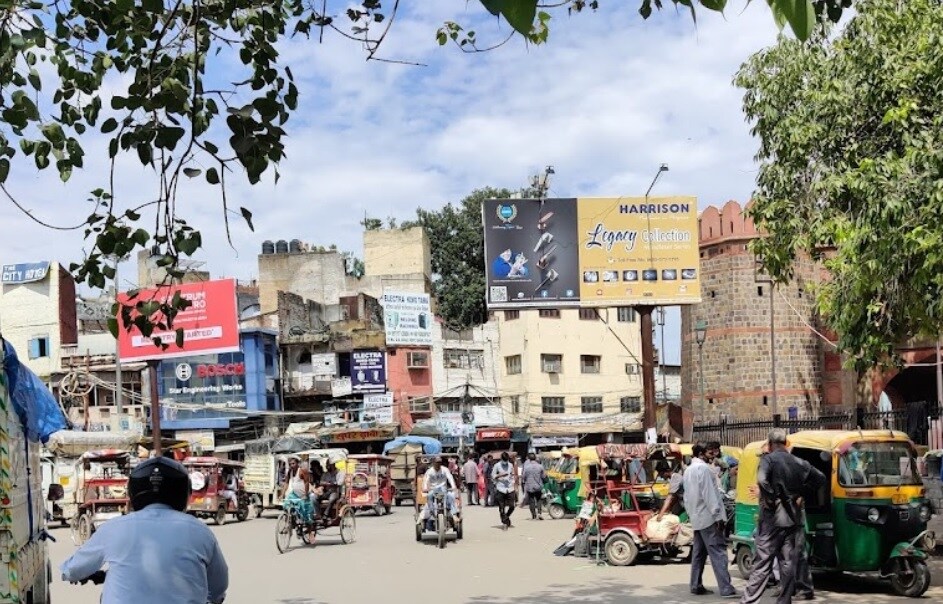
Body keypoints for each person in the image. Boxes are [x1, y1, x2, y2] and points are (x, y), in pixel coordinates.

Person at [60, 456, 229, 604]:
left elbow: (72, 570)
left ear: (133, 492)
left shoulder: (113, 528)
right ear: (185, 493)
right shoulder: (200, 531)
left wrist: (74, 574)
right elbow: (219, 586)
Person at [740, 429, 825, 604]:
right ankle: (784, 600)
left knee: (762, 563)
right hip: (792, 518)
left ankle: (749, 601)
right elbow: (820, 479)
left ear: (770, 444)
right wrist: (801, 494)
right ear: (786, 443)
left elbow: (762, 480)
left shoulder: (768, 459)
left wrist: (771, 497)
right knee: (787, 563)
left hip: (772, 519)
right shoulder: (799, 462)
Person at [683, 442, 738, 599]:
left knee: (699, 554)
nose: (713, 456)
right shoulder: (704, 469)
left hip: (697, 518)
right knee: (718, 553)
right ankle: (726, 588)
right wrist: (718, 516)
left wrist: (691, 514)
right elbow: (709, 495)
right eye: (710, 453)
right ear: (701, 454)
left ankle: (695, 585)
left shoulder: (688, 471)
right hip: (708, 518)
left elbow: (687, 497)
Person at [283, 455, 316, 542]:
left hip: (303, 495)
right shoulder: (289, 472)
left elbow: (307, 482)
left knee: (306, 515)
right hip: (294, 494)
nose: (291, 465)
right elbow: (286, 483)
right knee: (286, 505)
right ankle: (289, 524)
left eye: (293, 463)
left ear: (297, 464)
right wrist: (282, 494)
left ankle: (310, 533)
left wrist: (306, 494)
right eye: (290, 464)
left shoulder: (302, 471)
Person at [419, 457, 459, 524]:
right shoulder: (430, 471)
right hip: (433, 489)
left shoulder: (445, 470)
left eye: (439, 462)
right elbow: (426, 480)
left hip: (443, 489)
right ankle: (432, 512)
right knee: (429, 496)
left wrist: (453, 486)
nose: (438, 464)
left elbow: (450, 478)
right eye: (437, 462)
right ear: (433, 463)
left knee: (451, 496)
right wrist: (425, 488)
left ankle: (454, 514)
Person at [492, 452, 516, 529]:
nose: (505, 462)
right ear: (501, 459)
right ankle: (505, 522)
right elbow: (493, 476)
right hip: (500, 488)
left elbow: (513, 475)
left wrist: (514, 483)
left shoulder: (510, 465)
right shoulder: (497, 465)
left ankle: (506, 517)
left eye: (506, 460)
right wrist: (500, 475)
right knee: (501, 508)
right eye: (504, 460)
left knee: (512, 506)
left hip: (510, 488)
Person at [521, 452, 547, 520]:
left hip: (530, 486)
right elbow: (544, 476)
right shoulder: (540, 466)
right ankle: (539, 513)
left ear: (529, 459)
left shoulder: (526, 467)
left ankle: (533, 515)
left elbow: (523, 477)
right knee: (539, 500)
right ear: (535, 458)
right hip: (538, 486)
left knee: (531, 500)